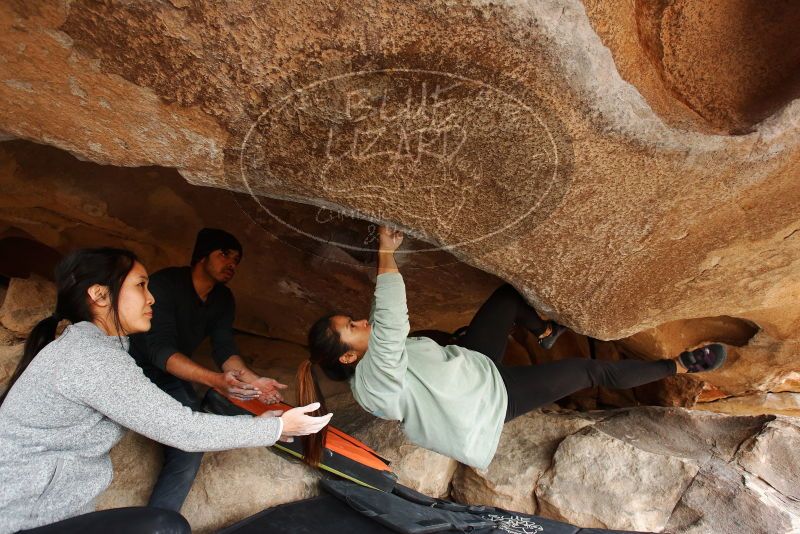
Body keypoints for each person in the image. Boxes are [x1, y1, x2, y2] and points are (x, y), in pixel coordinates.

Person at [298, 226, 726, 469]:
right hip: (491, 401)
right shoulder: (370, 382)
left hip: (474, 364)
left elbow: (384, 326)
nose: (362, 321)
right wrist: (385, 253)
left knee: (505, 299)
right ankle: (681, 366)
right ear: (348, 356)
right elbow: (391, 319)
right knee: (588, 372)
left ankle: (543, 333)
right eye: (352, 327)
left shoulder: (373, 362)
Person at [0, 248, 331, 534]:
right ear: (100, 296)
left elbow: (224, 347)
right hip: (18, 520)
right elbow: (182, 427)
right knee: (164, 527)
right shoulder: (90, 356)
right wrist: (275, 427)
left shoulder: (99, 348)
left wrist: (253, 384)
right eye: (141, 285)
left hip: (46, 516)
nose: (151, 297)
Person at [128, 228, 288, 511]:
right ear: (202, 256)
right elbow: (159, 350)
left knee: (190, 444)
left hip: (169, 375)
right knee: (189, 423)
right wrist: (215, 380)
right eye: (224, 254)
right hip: (133, 367)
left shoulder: (222, 299)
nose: (232, 264)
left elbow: (224, 349)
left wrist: (255, 381)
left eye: (237, 259)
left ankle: (158, 521)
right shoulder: (166, 285)